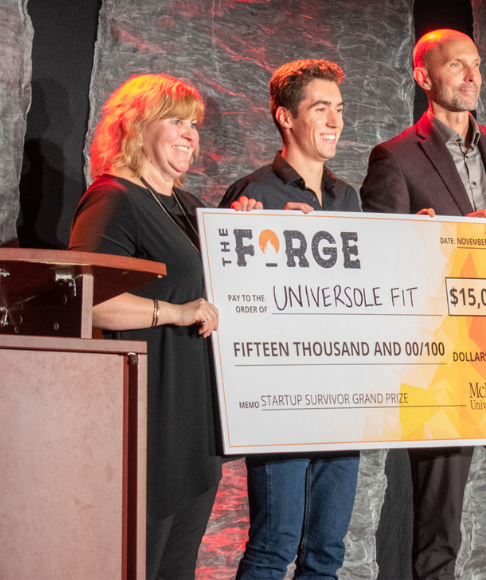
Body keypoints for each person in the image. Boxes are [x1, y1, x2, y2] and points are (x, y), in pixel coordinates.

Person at [360, 29, 486, 580]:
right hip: (442, 364)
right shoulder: (396, 157)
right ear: (424, 77)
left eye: (476, 65)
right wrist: (429, 238)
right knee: (437, 531)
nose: (472, 76)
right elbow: (381, 264)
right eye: (457, 66)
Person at [68, 73, 260, 580]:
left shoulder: (191, 207)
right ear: (136, 127)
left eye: (194, 125)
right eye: (176, 120)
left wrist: (249, 230)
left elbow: (222, 292)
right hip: (147, 417)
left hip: (196, 416)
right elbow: (87, 302)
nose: (190, 134)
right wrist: (173, 313)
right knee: (138, 564)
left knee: (179, 567)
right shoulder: (113, 198)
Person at [219, 59, 360, 580]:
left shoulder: (349, 198)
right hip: (281, 395)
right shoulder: (253, 194)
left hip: (343, 395)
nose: (334, 121)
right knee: (274, 544)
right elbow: (230, 298)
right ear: (285, 117)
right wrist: (255, 235)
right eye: (320, 108)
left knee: (327, 550)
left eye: (339, 110)